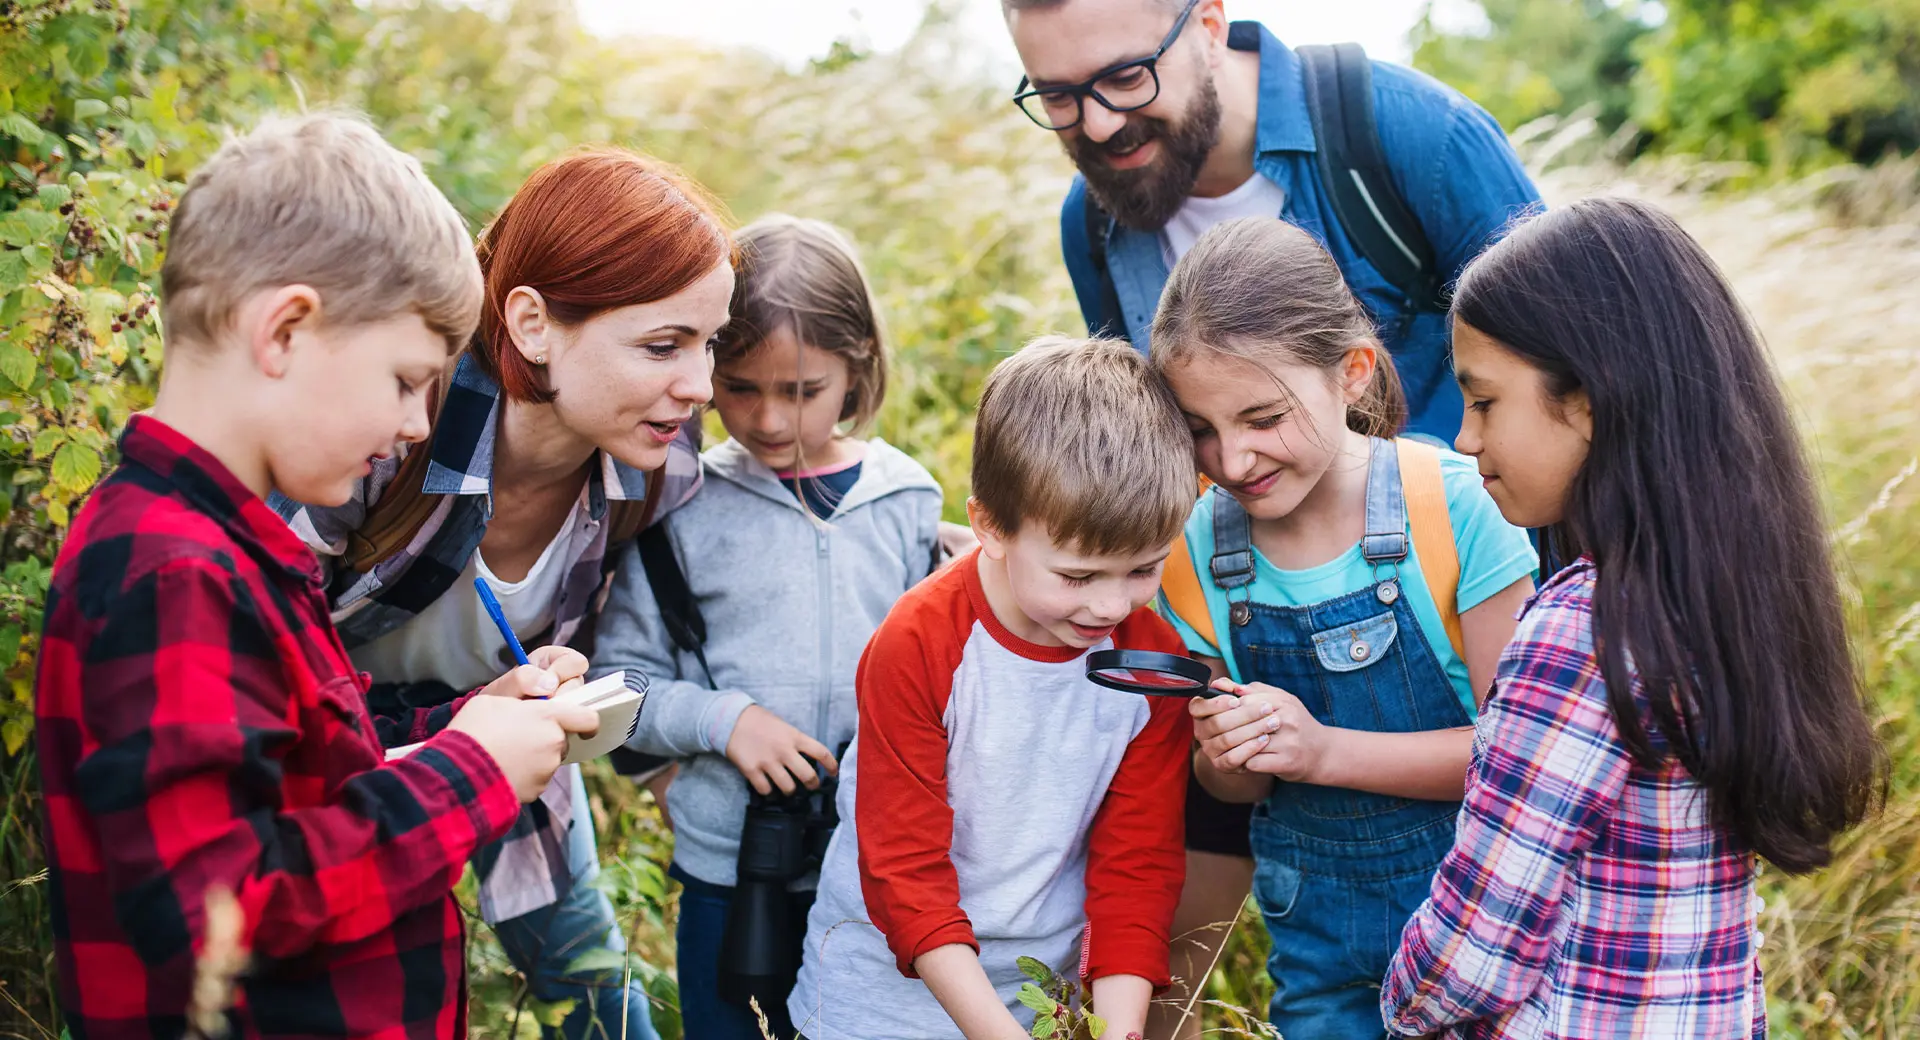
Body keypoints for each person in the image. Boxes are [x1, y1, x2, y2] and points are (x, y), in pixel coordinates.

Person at [34, 112, 601, 1039]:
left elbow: (302, 768)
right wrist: (471, 773)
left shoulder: (234, 549)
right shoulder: (175, 573)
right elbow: (221, 905)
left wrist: (470, 721)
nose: (420, 425)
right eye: (406, 379)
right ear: (286, 332)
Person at [1380, 197, 1885, 1037]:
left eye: (1484, 401)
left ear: (1585, 400)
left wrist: (1399, 1005)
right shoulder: (1724, 598)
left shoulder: (1582, 631)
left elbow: (1474, 951)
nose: (1464, 440)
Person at [275, 148, 734, 1040]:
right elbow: (258, 653)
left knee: (597, 995)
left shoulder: (659, 464)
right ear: (531, 322)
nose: (701, 383)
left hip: (509, 748)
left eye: (709, 341)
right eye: (663, 345)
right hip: (333, 766)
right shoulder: (394, 434)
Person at [1148, 217, 1536, 1038]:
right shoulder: (1187, 557)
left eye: (1262, 417)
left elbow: (1518, 765)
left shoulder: (1458, 505)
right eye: (1201, 430)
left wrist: (1322, 751)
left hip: (1479, 928)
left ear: (1352, 372)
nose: (1234, 459)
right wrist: (1229, 758)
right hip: (1320, 951)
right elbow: (1235, 791)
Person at [592, 214, 943, 1040]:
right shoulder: (680, 499)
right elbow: (619, 685)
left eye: (802, 391)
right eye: (741, 387)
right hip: (728, 870)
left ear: (858, 366)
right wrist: (726, 724)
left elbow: (936, 676)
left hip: (871, 867)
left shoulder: (905, 498)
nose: (770, 420)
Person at [787, 337, 1195, 1040]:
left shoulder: (1150, 666)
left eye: (1142, 569)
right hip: (878, 1008)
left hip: (1042, 1001)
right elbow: (904, 870)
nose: (1109, 607)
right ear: (990, 526)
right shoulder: (919, 645)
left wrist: (1117, 1028)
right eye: (1077, 576)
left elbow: (1137, 867)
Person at [1002, 0, 1541, 445]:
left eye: (1124, 77)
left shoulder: (1419, 133)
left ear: (1210, 29)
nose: (1097, 125)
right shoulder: (1092, 221)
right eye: (1056, 96)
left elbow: (1567, 374)